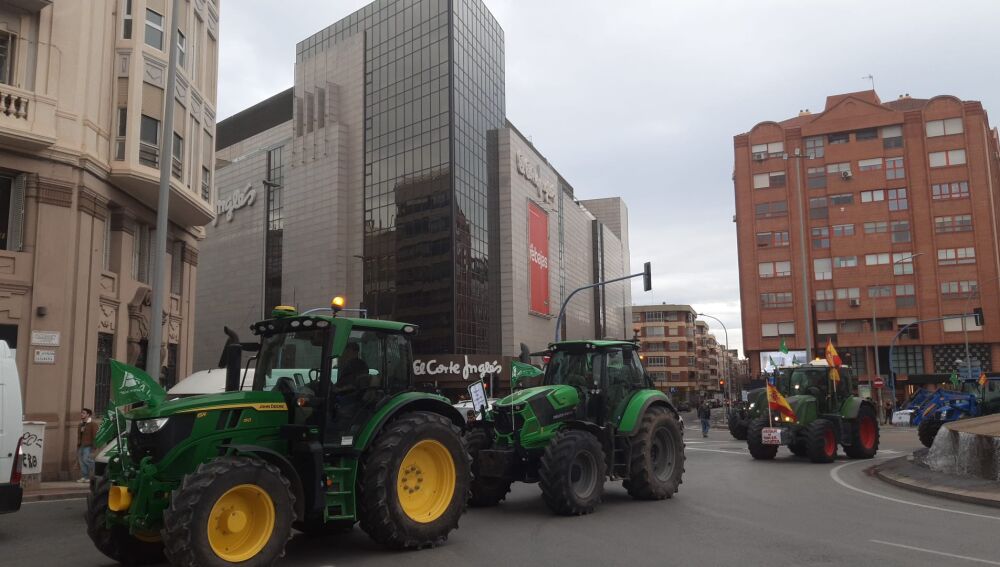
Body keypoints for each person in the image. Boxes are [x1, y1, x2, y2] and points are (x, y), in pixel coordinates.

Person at [332, 342, 370, 435]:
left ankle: (335, 430)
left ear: (353, 351)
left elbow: (356, 385)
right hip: (344, 393)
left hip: (351, 397)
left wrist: (338, 390)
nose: (344, 353)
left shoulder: (359, 365)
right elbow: (344, 380)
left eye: (346, 351)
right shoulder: (349, 364)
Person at [77, 408, 98, 483]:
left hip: (88, 446)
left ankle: (96, 471)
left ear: (88, 415)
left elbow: (95, 436)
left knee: (87, 460)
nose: (81, 414)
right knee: (82, 462)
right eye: (81, 413)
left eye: (83, 413)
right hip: (81, 445)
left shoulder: (93, 424)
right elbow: (79, 436)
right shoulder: (80, 424)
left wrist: (94, 447)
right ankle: (84, 477)